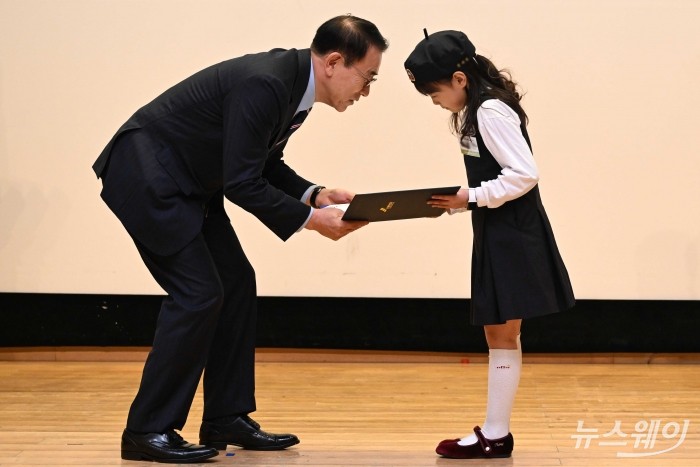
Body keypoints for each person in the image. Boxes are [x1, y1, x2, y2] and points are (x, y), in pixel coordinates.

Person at [92, 15, 388, 463]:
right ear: (333, 62)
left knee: (235, 283)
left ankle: (225, 417)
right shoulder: (268, 84)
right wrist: (313, 220)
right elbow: (242, 183)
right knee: (198, 294)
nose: (365, 91)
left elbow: (261, 164)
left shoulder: (295, 88)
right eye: (367, 78)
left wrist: (315, 193)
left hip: (190, 182)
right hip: (150, 176)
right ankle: (146, 431)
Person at [404, 30, 575, 459]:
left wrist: (471, 196)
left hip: (512, 233)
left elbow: (523, 174)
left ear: (459, 79)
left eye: (434, 92)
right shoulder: (482, 109)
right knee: (501, 332)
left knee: (501, 333)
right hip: (500, 229)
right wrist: (463, 201)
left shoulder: (491, 111)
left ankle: (496, 435)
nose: (435, 101)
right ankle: (496, 432)